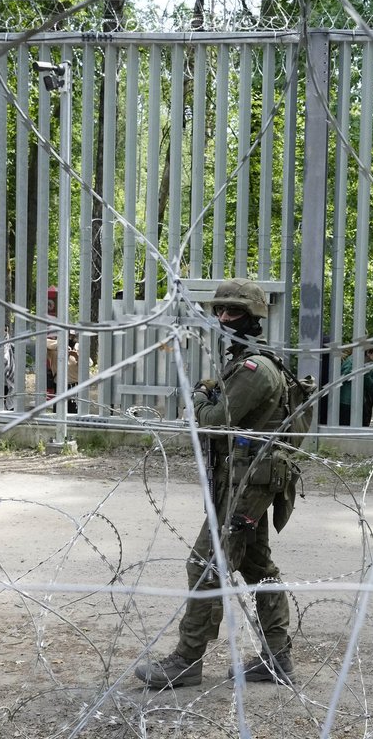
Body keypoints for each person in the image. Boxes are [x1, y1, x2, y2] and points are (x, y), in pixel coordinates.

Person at [134, 278, 297, 689]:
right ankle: (278, 658)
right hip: (245, 479)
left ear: (253, 317)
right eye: (220, 311)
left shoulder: (255, 368)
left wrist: (202, 399)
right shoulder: (244, 362)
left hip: (247, 483)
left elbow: (212, 421)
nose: (224, 318)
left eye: (234, 312)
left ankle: (187, 661)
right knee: (257, 566)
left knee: (207, 564)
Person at [44, 285, 81, 412]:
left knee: (74, 412)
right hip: (59, 385)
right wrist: (61, 345)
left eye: (72, 335)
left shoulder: (78, 347)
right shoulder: (55, 347)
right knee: (59, 411)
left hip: (74, 386)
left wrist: (77, 356)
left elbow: (89, 364)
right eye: (68, 335)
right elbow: (42, 342)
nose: (71, 338)